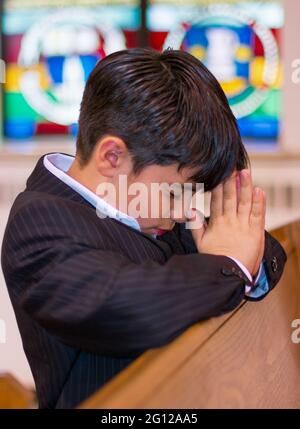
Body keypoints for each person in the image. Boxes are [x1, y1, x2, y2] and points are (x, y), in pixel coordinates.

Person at [1, 48, 286, 409]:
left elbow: (258, 251)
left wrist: (240, 259)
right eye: (174, 192)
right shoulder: (40, 222)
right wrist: (228, 263)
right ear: (112, 157)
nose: (185, 210)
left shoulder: (150, 210)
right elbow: (128, 307)